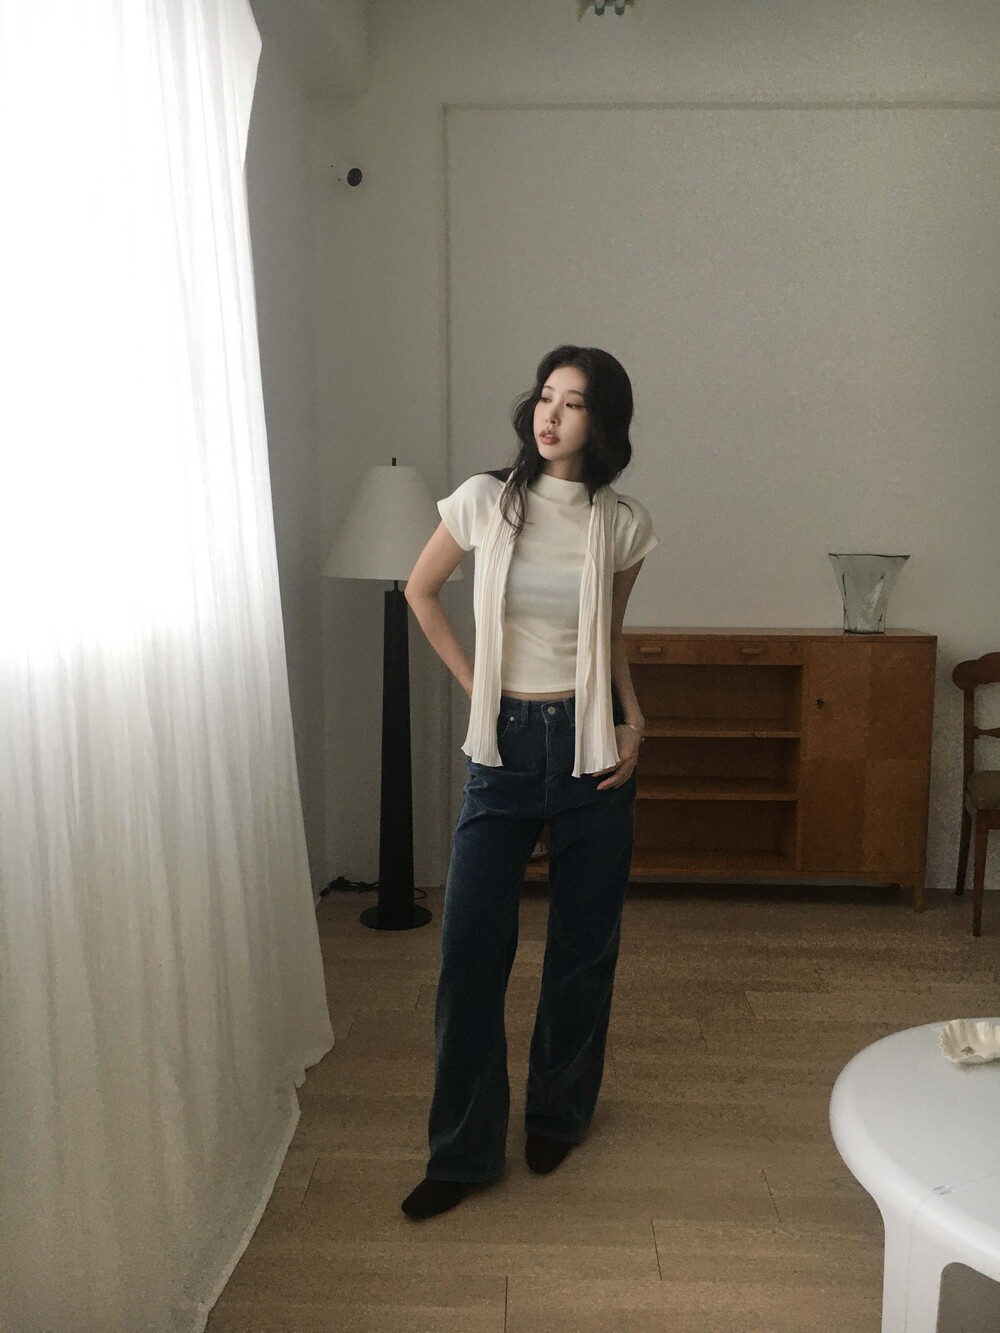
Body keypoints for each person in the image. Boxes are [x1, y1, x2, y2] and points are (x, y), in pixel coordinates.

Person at [401, 345, 659, 1219]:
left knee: (583, 949)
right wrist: (480, 687)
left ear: (602, 421)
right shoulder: (486, 500)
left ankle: (558, 1114)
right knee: (471, 952)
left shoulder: (623, 523)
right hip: (505, 748)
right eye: (546, 396)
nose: (551, 414)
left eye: (573, 402)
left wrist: (633, 719)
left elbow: (609, 636)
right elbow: (422, 590)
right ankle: (463, 1151)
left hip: (594, 749)